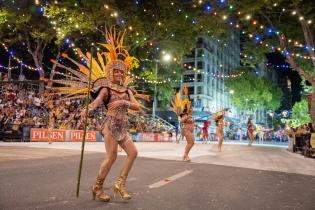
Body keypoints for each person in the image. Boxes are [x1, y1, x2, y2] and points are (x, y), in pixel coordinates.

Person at [49, 28, 144, 202]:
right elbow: (98, 100)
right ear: (110, 73)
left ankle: (120, 184)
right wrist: (89, 108)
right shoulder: (105, 88)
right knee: (112, 156)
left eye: (122, 72)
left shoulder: (128, 90)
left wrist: (124, 102)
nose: (120, 74)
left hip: (123, 127)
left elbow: (137, 107)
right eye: (116, 71)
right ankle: (97, 187)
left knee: (133, 153)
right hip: (110, 125)